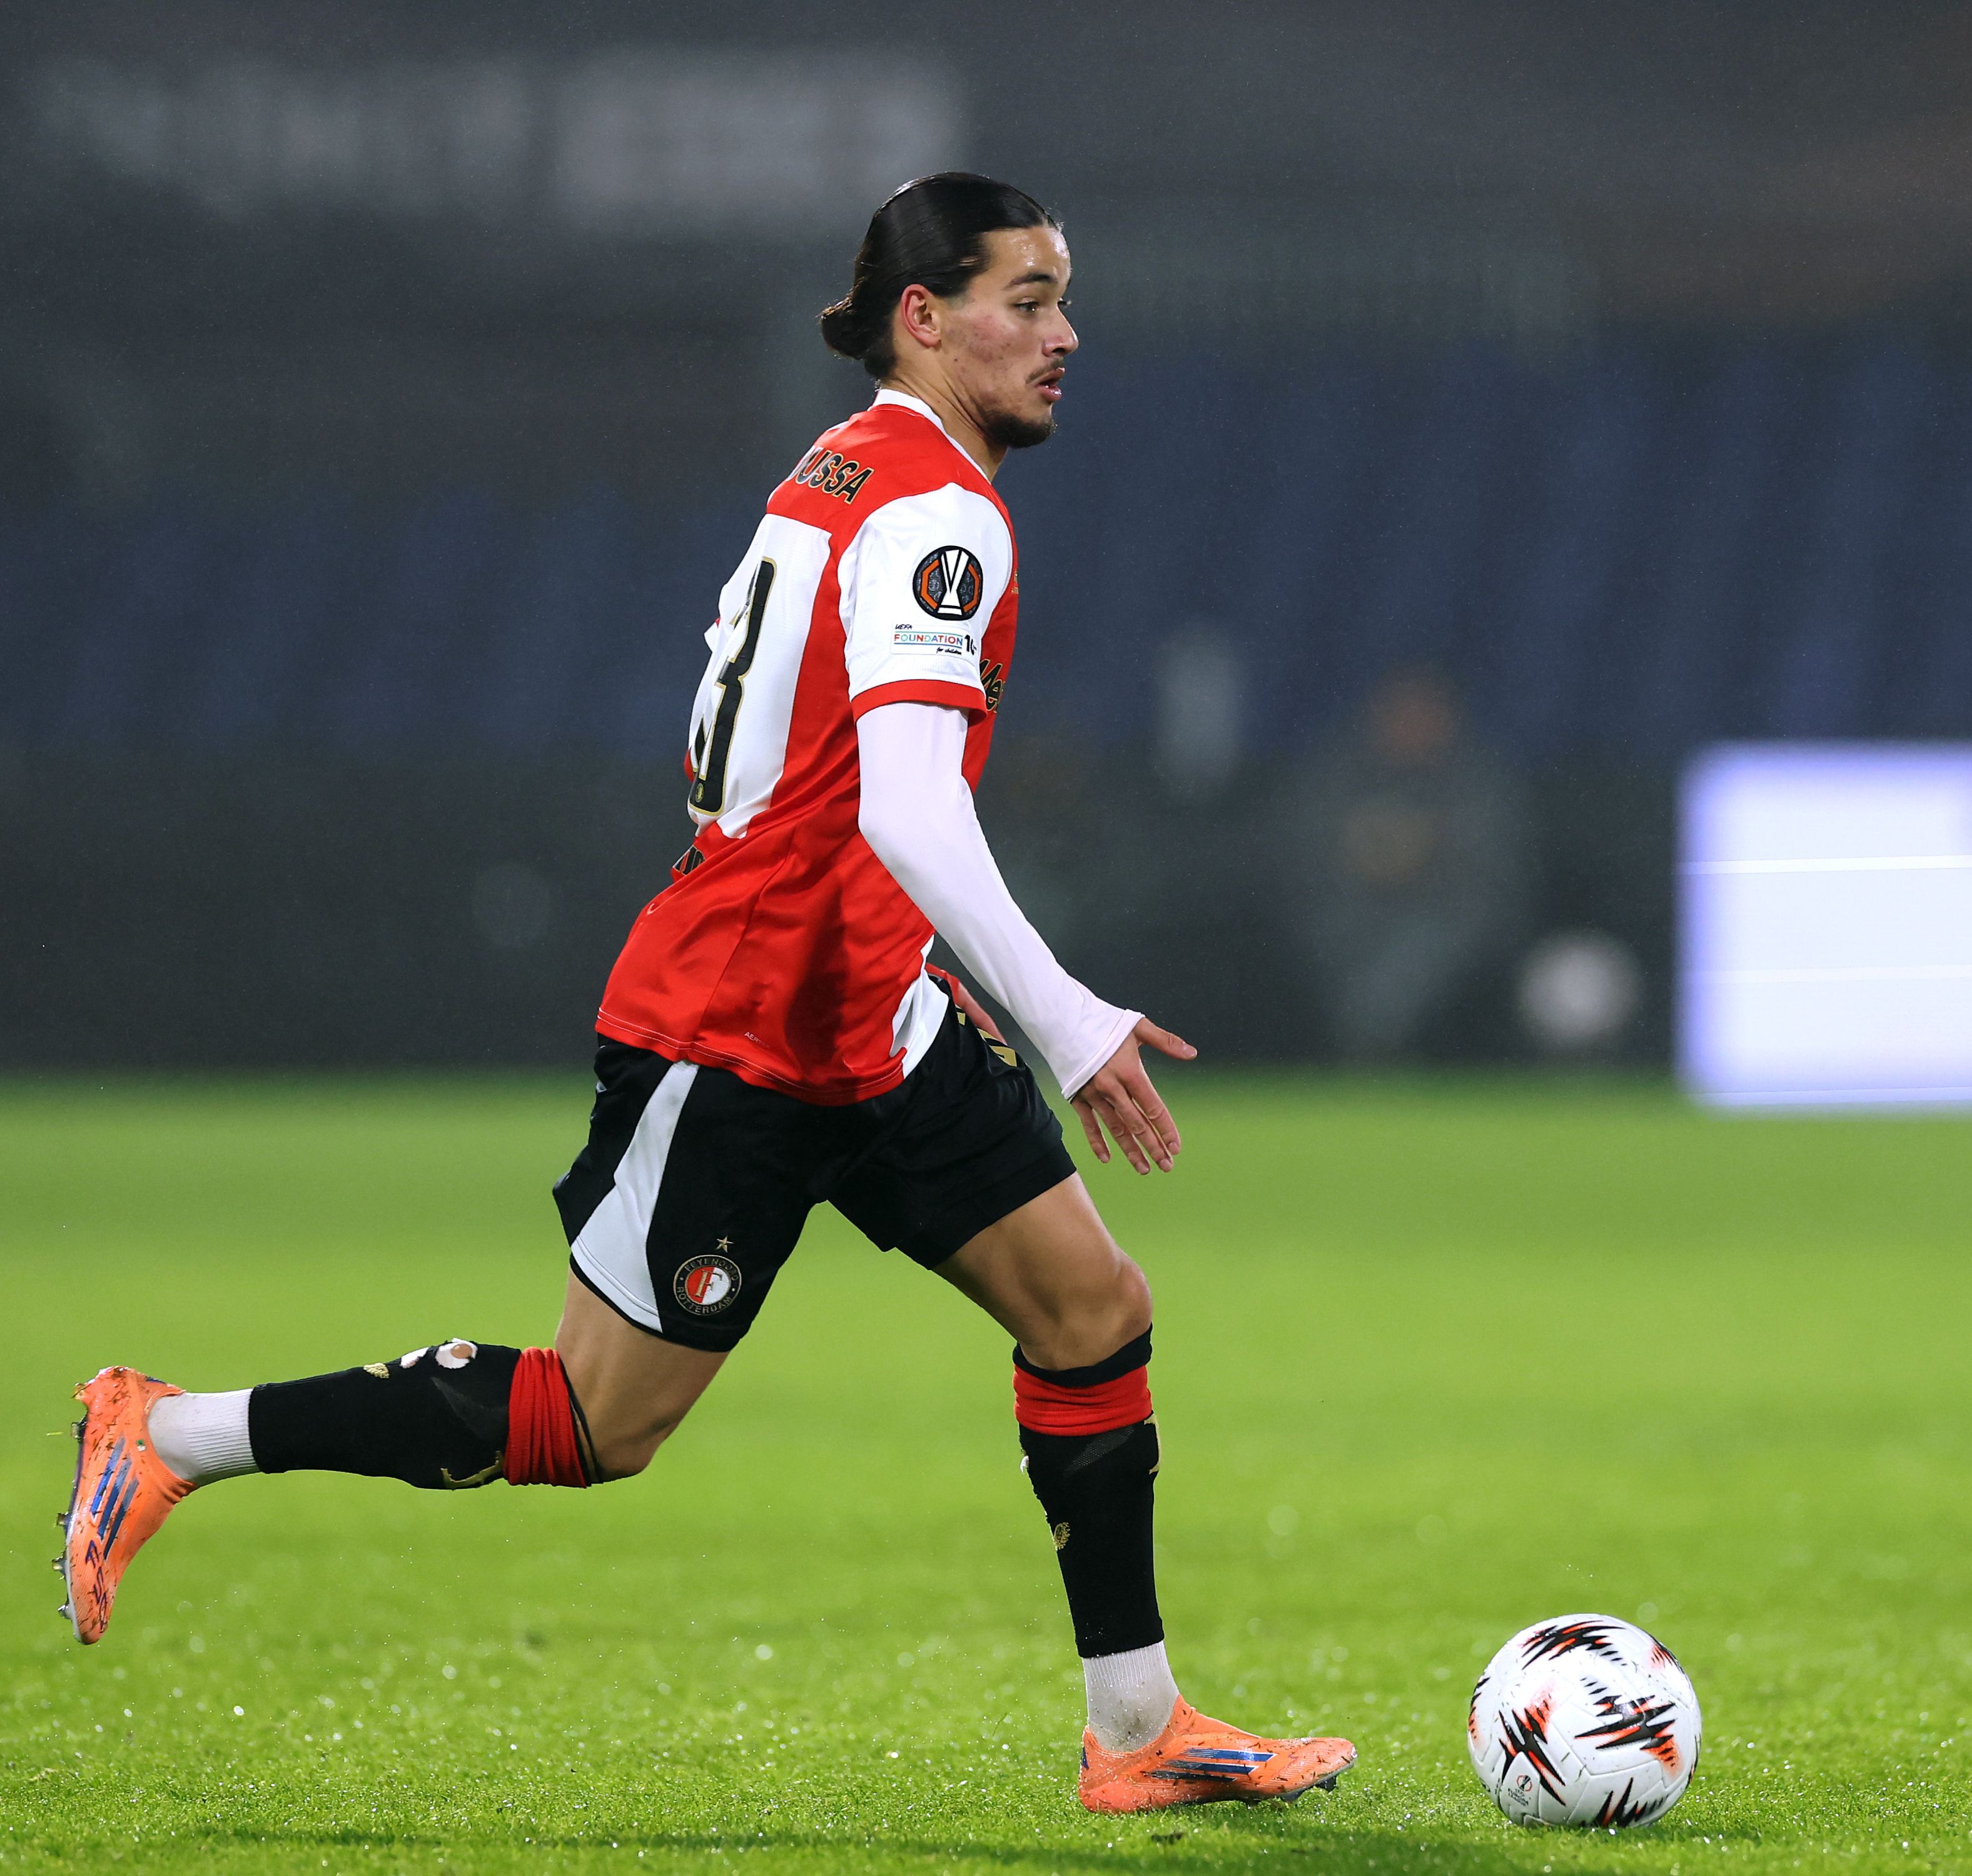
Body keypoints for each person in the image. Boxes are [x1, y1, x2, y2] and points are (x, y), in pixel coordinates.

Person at [61, 174, 1355, 1813]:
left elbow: (766, 772)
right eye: (1026, 299)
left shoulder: (839, 474)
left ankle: (1137, 1735)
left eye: (1060, 297)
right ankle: (166, 1434)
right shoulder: (932, 508)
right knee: (593, 1425)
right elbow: (895, 797)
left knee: (1093, 1309)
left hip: (864, 1013)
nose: (1062, 333)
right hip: (740, 1030)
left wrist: (914, 960)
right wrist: (1063, 1013)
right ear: (924, 315)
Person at [1287, 665, 1526, 1061]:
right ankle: (1358, 1056)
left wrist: (1422, 852)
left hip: (1442, 921)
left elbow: (1491, 886)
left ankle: (1384, 1054)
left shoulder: (1476, 783)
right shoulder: (1340, 776)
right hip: (1353, 920)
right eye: (1399, 713)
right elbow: (1306, 866)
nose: (1411, 724)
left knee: (1411, 963)